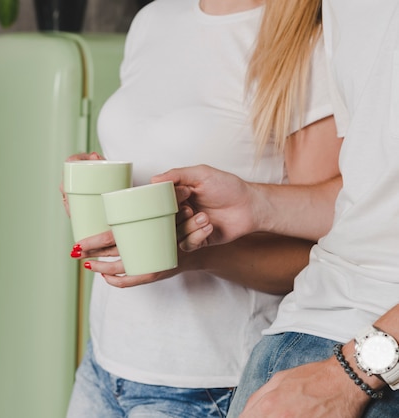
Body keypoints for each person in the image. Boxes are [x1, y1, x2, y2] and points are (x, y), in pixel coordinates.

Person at [61, 0, 342, 416]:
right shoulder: (154, 19)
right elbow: (146, 152)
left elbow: (326, 255)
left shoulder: (310, 38)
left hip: (206, 388)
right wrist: (96, 184)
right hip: (105, 362)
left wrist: (193, 255)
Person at [152, 1, 399, 416]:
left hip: (367, 372)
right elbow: (374, 203)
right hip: (294, 343)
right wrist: (256, 204)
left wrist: (354, 372)